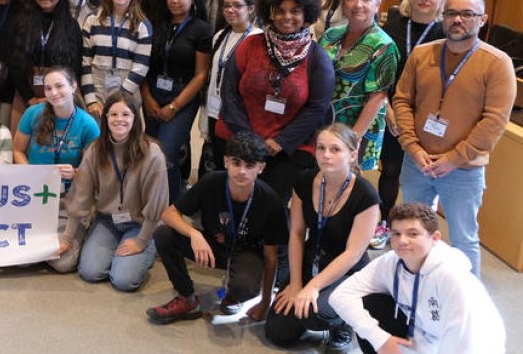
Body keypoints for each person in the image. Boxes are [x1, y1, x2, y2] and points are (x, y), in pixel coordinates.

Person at [393, 0, 516, 276]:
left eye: (467, 14)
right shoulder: (422, 54)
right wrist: (413, 148)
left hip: (463, 170)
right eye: (451, 13)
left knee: (464, 237)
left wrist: (454, 158)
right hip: (417, 163)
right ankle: (409, 286)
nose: (457, 19)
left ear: (482, 19)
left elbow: (494, 121)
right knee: (410, 231)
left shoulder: (497, 63)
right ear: (442, 17)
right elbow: (401, 100)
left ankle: (466, 302)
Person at [146, 133, 286, 324]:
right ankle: (187, 298)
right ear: (226, 161)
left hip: (247, 252)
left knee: (243, 287)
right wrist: (194, 234)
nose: (242, 171)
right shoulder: (211, 182)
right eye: (236, 163)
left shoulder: (270, 201)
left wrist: (265, 301)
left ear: (261, 168)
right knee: (164, 234)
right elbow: (168, 214)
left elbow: (271, 256)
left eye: (250, 165)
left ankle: (233, 295)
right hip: (213, 245)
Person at [331, 203, 506, 354]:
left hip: (468, 347)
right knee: (371, 304)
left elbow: (467, 342)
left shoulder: (452, 277)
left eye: (413, 234)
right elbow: (339, 296)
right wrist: (380, 339)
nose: (402, 241)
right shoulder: (391, 262)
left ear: (435, 238)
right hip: (420, 339)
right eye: (396, 234)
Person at [217, 0, 335, 205]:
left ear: (306, 15)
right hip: (242, 138)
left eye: (295, 11)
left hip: (289, 149)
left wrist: (280, 141)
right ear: (269, 13)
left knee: (268, 205)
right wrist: (250, 139)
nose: (286, 17)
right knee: (232, 200)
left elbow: (317, 108)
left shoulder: (318, 58)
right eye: (280, 11)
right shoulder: (249, 45)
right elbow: (229, 91)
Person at [265, 124, 381, 351]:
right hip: (313, 258)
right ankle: (314, 305)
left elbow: (353, 253)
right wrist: (297, 283)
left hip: (348, 271)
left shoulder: (366, 195)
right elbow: (297, 234)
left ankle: (345, 322)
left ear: (352, 154)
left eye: (335, 149)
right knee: (278, 332)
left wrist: (313, 287)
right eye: (321, 148)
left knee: (313, 313)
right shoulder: (304, 181)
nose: (326, 155)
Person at [57, 92, 168, 291]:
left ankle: (148, 247)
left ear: (135, 118)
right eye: (113, 114)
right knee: (90, 272)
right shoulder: (95, 150)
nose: (119, 120)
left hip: (140, 223)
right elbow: (80, 196)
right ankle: (118, 251)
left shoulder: (152, 153)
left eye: (125, 115)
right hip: (108, 219)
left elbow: (156, 205)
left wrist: (141, 241)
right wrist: (67, 238)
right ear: (105, 118)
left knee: (124, 281)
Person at [373, 0, 448, 249]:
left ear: (442, 0)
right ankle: (385, 222)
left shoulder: (444, 31)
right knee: (390, 168)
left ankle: (418, 231)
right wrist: (388, 109)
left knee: (421, 174)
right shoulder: (394, 21)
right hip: (392, 107)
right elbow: (381, 69)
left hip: (428, 116)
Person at [13, 67, 100, 271]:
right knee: (23, 259)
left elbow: (93, 171)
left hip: (69, 197)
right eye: (48, 88)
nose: (54, 93)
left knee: (63, 264)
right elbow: (17, 150)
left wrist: (76, 173)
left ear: (74, 86)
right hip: (36, 194)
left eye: (59, 86)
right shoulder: (33, 114)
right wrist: (30, 172)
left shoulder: (87, 124)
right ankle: (45, 242)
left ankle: (81, 231)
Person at [319, 0, 400, 171]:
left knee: (351, 190)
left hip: (358, 128)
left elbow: (378, 97)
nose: (358, 4)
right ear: (344, 4)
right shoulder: (331, 34)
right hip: (324, 122)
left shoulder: (383, 45)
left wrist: (352, 140)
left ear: (377, 5)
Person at [141, 0, 211, 198]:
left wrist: (174, 106)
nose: (175, 0)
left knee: (167, 153)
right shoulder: (155, 24)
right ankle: (151, 203)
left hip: (183, 97)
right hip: (152, 94)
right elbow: (144, 65)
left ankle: (171, 206)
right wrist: (147, 98)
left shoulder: (201, 29)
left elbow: (201, 75)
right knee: (149, 152)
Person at [0, 0, 88, 114]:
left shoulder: (71, 26)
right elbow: (13, 63)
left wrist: (54, 95)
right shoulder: (20, 22)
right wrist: (30, 97)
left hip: (61, 94)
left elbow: (74, 65)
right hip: (25, 95)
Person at [199, 0, 259, 174]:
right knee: (215, 164)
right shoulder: (219, 36)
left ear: (250, 8)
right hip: (215, 110)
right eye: (226, 5)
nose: (230, 10)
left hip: (239, 116)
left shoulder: (258, 39)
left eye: (237, 5)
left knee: (236, 166)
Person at [81, 0, 152, 114]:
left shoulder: (142, 25)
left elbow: (141, 67)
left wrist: (122, 97)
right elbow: (85, 61)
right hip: (96, 86)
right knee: (96, 135)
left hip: (127, 88)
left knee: (123, 134)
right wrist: (91, 100)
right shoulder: (92, 20)